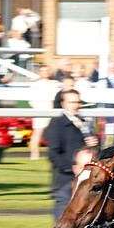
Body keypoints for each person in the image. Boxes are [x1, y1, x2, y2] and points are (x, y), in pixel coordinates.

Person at [44, 89, 99, 219]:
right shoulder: (57, 124)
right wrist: (73, 169)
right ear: (63, 104)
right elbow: (53, 154)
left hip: (85, 177)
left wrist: (94, 144)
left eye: (78, 102)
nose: (76, 105)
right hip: (66, 179)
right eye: (72, 102)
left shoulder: (84, 122)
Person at [29, 65, 57, 160]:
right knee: (37, 134)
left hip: (52, 111)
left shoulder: (55, 83)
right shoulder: (35, 85)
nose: (45, 73)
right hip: (40, 111)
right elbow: (32, 99)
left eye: (47, 70)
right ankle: (34, 155)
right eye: (43, 71)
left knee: (54, 134)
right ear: (39, 72)